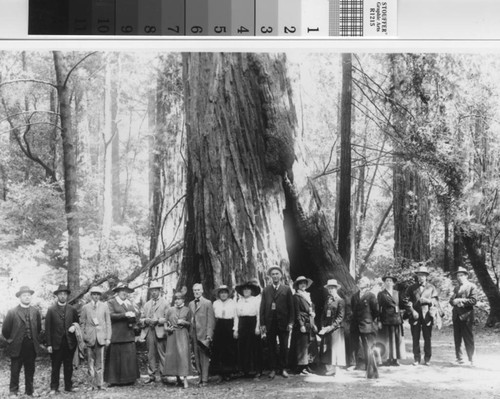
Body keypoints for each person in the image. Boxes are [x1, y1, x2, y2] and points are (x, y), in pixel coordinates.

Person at [2, 286, 42, 397]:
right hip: (17, 345)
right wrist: (11, 340)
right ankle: (13, 391)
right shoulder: (12, 312)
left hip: (31, 345)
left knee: (30, 369)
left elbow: (38, 328)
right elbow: (5, 330)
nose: (27, 297)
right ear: (19, 297)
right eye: (24, 295)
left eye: (29, 295)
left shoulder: (35, 311)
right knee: (15, 369)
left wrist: (33, 338)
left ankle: (29, 391)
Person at [260, 265, 294, 379]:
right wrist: (262, 324)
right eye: (273, 274)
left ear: (281, 275)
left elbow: (291, 307)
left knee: (284, 346)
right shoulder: (266, 290)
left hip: (283, 322)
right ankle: (273, 369)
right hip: (270, 323)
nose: (275, 276)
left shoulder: (286, 289)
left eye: (277, 274)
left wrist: (290, 322)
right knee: (271, 347)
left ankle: (283, 368)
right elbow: (262, 308)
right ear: (270, 276)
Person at [45, 284, 79, 394]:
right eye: (61, 294)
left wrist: (74, 326)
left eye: (65, 294)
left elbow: (77, 322)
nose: (63, 296)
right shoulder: (51, 310)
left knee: (68, 366)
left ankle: (68, 386)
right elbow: (48, 328)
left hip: (69, 342)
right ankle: (54, 388)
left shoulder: (72, 309)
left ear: (67, 296)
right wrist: (49, 344)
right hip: (56, 343)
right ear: (57, 296)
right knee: (55, 366)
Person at [105, 282, 140, 386]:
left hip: (128, 334)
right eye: (122, 291)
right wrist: (124, 315)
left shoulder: (130, 303)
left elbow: (136, 317)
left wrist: (134, 319)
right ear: (117, 292)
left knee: (128, 358)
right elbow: (110, 315)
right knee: (115, 358)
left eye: (126, 291)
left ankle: (129, 379)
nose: (124, 293)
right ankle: (114, 381)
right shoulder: (111, 302)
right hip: (116, 334)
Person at [403, 265, 439, 366]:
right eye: (419, 275)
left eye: (423, 275)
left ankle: (427, 358)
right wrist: (412, 311)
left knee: (427, 338)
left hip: (427, 316)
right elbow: (406, 301)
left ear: (426, 276)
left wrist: (428, 301)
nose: (421, 277)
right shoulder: (411, 288)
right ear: (417, 276)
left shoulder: (431, 287)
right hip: (415, 316)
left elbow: (435, 301)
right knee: (415, 338)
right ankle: (416, 358)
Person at [80, 286, 111, 390]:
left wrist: (108, 338)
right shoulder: (85, 307)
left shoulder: (104, 306)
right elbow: (82, 323)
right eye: (94, 294)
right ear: (91, 295)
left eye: (98, 294)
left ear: (100, 296)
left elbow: (108, 323)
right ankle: (91, 384)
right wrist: (84, 337)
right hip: (89, 338)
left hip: (101, 337)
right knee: (90, 362)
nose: (96, 296)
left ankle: (100, 384)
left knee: (100, 362)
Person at [139, 282, 169, 384]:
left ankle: (164, 375)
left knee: (162, 353)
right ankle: (151, 375)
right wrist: (145, 321)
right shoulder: (147, 304)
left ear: (160, 291)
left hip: (160, 330)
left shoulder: (165, 303)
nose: (154, 292)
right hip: (149, 331)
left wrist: (159, 320)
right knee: (150, 354)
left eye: (156, 290)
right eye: (152, 290)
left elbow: (169, 318)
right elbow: (141, 319)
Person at [351, 277, 379, 379]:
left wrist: (369, 321)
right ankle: (360, 365)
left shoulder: (371, 296)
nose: (360, 282)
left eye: (362, 281)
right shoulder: (354, 296)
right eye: (359, 281)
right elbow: (353, 309)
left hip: (367, 326)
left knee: (369, 347)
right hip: (356, 325)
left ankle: (371, 369)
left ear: (367, 284)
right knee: (359, 346)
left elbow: (376, 311)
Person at [449, 267, 478, 366]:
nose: (459, 277)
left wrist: (461, 301)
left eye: (461, 275)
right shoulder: (456, 288)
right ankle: (459, 358)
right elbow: (451, 300)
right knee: (457, 338)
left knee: (468, 337)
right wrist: (454, 302)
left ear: (466, 276)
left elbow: (473, 300)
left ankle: (472, 358)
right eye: (458, 275)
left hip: (467, 316)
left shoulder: (472, 286)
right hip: (456, 315)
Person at [189, 283, 215, 387]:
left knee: (204, 357)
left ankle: (205, 379)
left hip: (203, 334)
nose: (196, 292)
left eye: (198, 290)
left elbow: (211, 320)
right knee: (196, 356)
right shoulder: (190, 304)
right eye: (195, 290)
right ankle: (200, 377)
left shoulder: (207, 303)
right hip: (194, 334)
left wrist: (209, 335)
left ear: (202, 290)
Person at [164, 292, 192, 389]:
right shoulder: (170, 310)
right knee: (174, 356)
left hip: (182, 334)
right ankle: (178, 378)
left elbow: (190, 323)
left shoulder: (187, 310)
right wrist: (167, 328)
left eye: (179, 298)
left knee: (183, 356)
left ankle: (185, 380)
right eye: (175, 299)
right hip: (172, 334)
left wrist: (184, 322)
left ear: (183, 300)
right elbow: (165, 322)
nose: (177, 300)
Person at [234, 281, 262, 379]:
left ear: (251, 291)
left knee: (254, 347)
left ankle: (256, 370)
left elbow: (259, 315)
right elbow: (236, 316)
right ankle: (245, 370)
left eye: (248, 289)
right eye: (244, 289)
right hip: (242, 324)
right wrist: (236, 330)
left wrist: (257, 327)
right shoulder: (239, 301)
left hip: (253, 323)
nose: (246, 291)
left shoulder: (256, 300)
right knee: (243, 347)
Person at [318, 279, 345, 376]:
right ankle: (331, 368)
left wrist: (331, 326)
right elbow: (323, 314)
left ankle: (338, 369)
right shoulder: (327, 300)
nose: (331, 290)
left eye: (333, 288)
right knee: (328, 348)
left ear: (336, 289)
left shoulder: (340, 300)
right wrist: (323, 325)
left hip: (336, 329)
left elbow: (340, 317)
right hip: (327, 328)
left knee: (336, 348)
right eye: (329, 288)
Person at [290, 276, 316, 375]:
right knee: (301, 345)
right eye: (301, 283)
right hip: (302, 322)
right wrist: (301, 324)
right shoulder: (296, 296)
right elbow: (296, 312)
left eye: (304, 283)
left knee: (309, 344)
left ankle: (308, 365)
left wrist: (314, 313)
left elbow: (312, 308)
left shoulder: (308, 295)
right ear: (297, 285)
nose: (303, 285)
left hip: (310, 321)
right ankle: (300, 367)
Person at [211, 285, 237, 380]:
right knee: (218, 349)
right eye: (221, 293)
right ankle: (220, 373)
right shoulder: (215, 303)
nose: (223, 294)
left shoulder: (233, 303)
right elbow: (212, 317)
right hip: (219, 326)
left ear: (228, 294)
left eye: (225, 292)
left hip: (229, 325)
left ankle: (229, 372)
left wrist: (235, 329)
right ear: (219, 294)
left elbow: (236, 317)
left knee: (229, 349)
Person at [377, 275, 404, 366]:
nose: (388, 282)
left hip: (396, 319)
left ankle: (396, 359)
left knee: (396, 339)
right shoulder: (381, 294)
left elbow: (402, 305)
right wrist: (379, 320)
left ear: (393, 283)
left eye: (390, 281)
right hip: (386, 319)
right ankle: (388, 358)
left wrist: (403, 314)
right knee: (387, 339)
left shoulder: (397, 293)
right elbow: (378, 308)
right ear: (384, 283)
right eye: (387, 281)